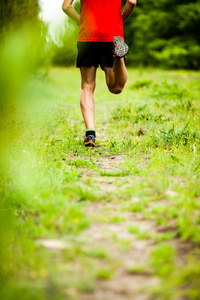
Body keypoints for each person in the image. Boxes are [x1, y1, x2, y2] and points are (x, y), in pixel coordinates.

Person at [62, 0, 137, 147]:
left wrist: (82, 21)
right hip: (113, 33)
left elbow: (66, 6)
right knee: (115, 88)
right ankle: (118, 57)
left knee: (87, 86)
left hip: (87, 35)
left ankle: (90, 134)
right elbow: (132, 2)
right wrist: (120, 21)